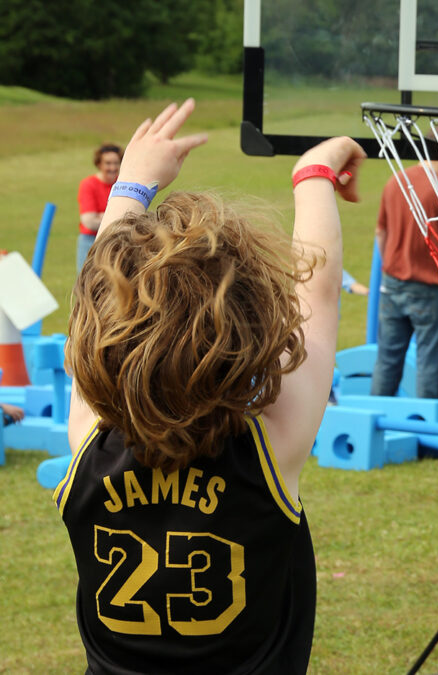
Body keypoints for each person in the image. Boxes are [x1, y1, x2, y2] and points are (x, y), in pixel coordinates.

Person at [55, 98, 366, 674]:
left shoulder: (88, 446)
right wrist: (313, 175)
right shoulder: (267, 450)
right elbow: (318, 289)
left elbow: (99, 300)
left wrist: (132, 185)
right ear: (250, 328)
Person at [370, 147, 438, 399]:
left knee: (387, 357)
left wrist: (389, 263)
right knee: (431, 359)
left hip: (392, 282)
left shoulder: (395, 181)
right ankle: (424, 421)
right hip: (429, 287)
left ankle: (377, 418)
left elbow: (381, 231)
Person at [76, 143, 123, 273]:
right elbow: (89, 222)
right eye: (108, 163)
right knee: (88, 282)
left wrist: (102, 216)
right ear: (99, 164)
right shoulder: (89, 184)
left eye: (116, 163)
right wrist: (118, 217)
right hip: (91, 241)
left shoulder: (123, 184)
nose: (112, 167)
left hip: (118, 239)